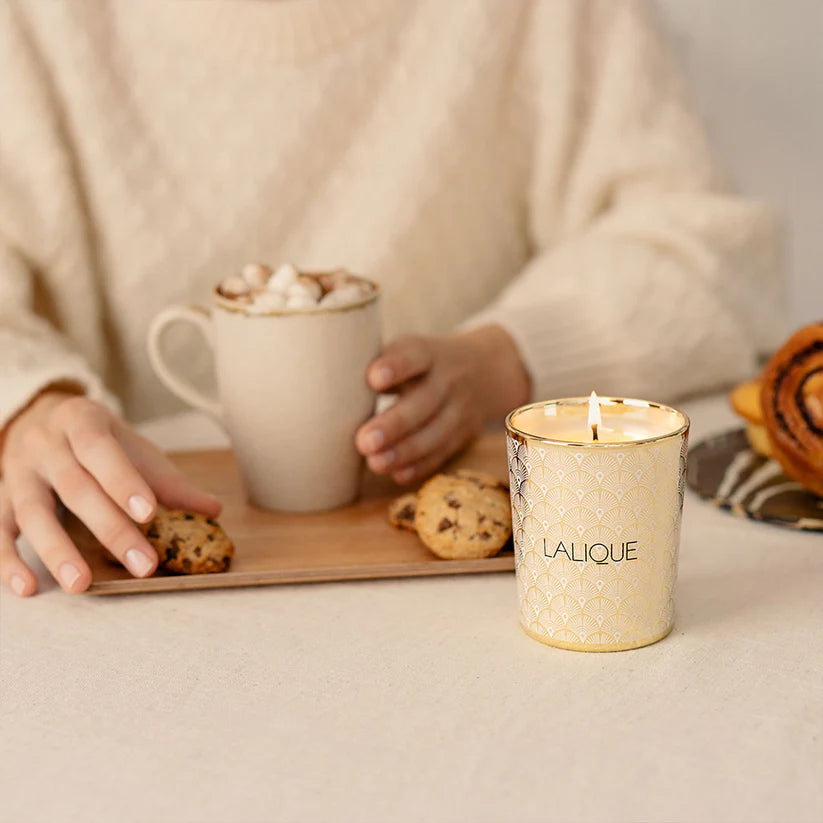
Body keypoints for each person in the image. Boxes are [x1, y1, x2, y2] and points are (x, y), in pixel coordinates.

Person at [0, 0, 783, 597]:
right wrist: (29, 403)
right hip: (138, 601)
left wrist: (506, 356)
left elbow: (710, 252)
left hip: (480, 598)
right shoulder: (38, 25)